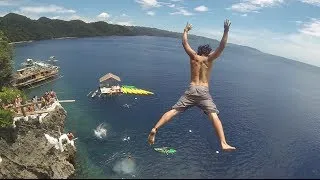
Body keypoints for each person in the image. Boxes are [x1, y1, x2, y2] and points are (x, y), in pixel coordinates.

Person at [147, 20, 236, 151]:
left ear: (199, 51)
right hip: (204, 91)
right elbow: (221, 46)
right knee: (213, 115)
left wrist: (185, 31)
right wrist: (226, 31)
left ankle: (155, 128)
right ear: (208, 52)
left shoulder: (193, 56)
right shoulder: (209, 59)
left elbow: (184, 43)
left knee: (174, 111)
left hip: (191, 89)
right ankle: (223, 142)